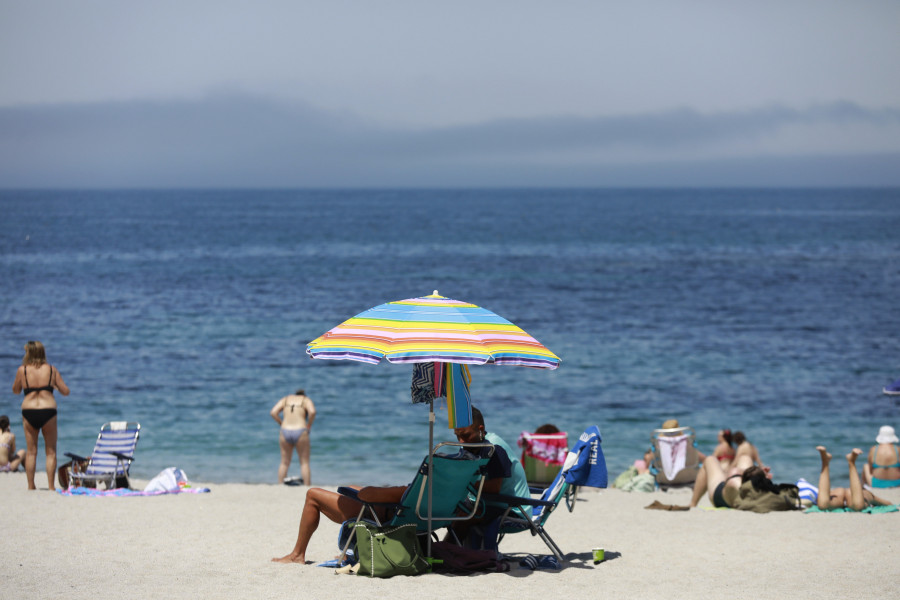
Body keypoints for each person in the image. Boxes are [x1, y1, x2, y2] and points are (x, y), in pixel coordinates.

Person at [271, 406, 521, 564]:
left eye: (464, 435)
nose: (460, 440)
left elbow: (369, 495)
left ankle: (297, 555)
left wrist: (386, 490)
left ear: (480, 429)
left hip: (391, 511)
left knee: (314, 494)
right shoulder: (469, 461)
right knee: (355, 487)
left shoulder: (490, 449)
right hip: (425, 511)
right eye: (456, 436)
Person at [11, 341, 70, 490]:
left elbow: (16, 390)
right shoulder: (51, 370)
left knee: (31, 452)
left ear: (28, 353)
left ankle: (31, 486)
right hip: (48, 410)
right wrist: (54, 386)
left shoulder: (22, 370)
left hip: (29, 410)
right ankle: (51, 487)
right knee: (51, 452)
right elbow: (66, 391)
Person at [816, 446, 890, 511]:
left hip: (838, 492)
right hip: (857, 493)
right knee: (858, 506)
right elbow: (887, 503)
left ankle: (825, 461)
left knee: (824, 505)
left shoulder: (869, 495)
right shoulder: (868, 494)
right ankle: (851, 462)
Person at [270, 389, 316, 485]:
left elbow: (273, 412)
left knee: (284, 462)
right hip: (300, 430)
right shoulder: (305, 400)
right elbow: (312, 412)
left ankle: (280, 485)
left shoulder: (286, 399)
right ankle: (307, 486)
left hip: (285, 430)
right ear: (303, 395)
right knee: (304, 463)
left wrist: (281, 423)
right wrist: (309, 425)